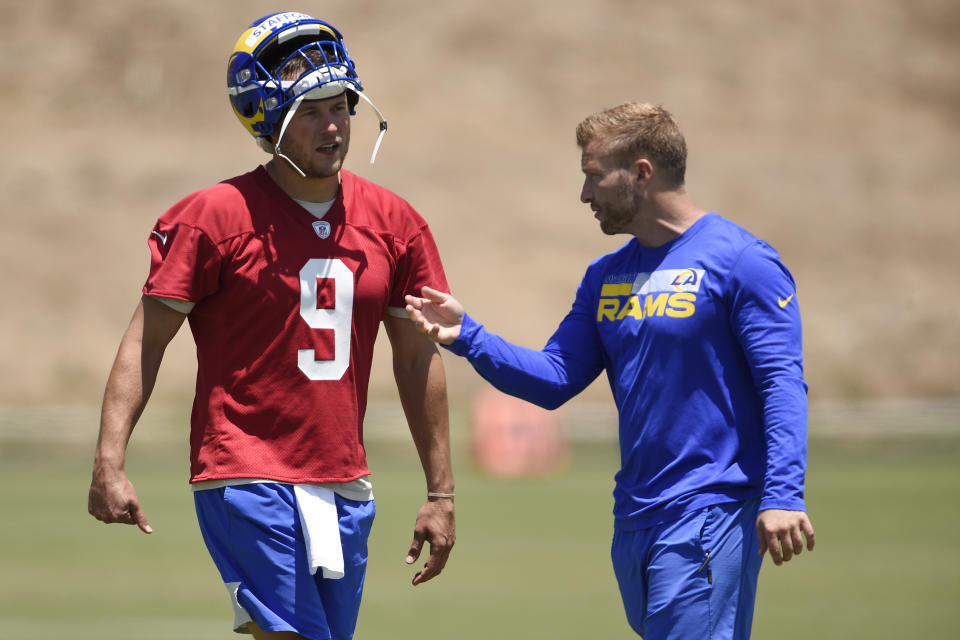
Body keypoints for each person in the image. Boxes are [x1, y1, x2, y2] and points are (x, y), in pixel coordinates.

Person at [87, 11, 455, 640]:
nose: (333, 124)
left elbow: (419, 359)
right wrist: (109, 457)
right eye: (311, 109)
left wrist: (442, 493)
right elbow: (146, 343)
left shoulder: (397, 222)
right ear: (267, 118)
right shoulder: (214, 217)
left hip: (344, 477)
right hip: (245, 470)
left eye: (340, 104)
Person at [405, 102, 814, 640]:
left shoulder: (743, 262)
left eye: (593, 176)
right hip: (635, 518)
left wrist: (783, 493)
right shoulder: (606, 276)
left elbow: (781, 383)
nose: (584, 195)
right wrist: (469, 337)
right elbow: (555, 378)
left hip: (711, 510)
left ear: (641, 173)